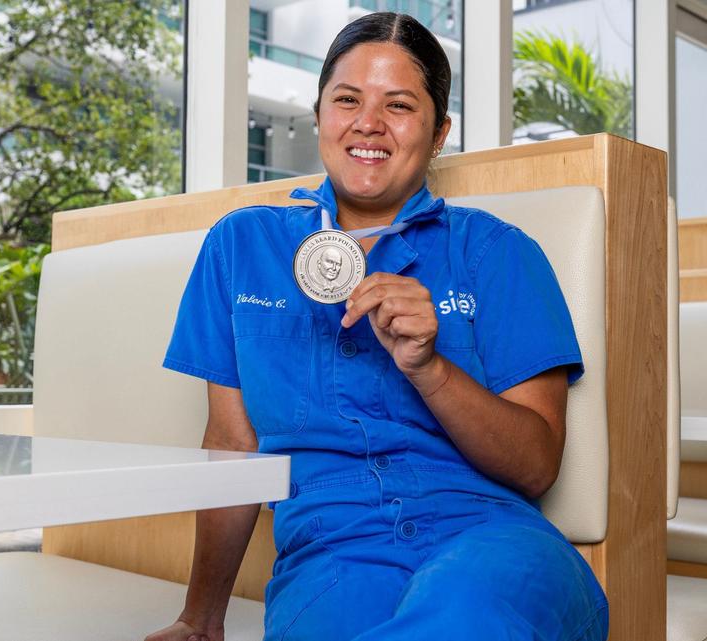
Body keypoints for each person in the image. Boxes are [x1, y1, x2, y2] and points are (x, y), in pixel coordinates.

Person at [148, 12, 607, 641]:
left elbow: (536, 467)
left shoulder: (498, 253)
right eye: (347, 100)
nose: (368, 123)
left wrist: (430, 367)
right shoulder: (241, 246)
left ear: (439, 132)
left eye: (399, 105)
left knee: (463, 615)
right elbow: (232, 446)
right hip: (330, 555)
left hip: (489, 538)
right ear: (319, 116)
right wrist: (200, 620)